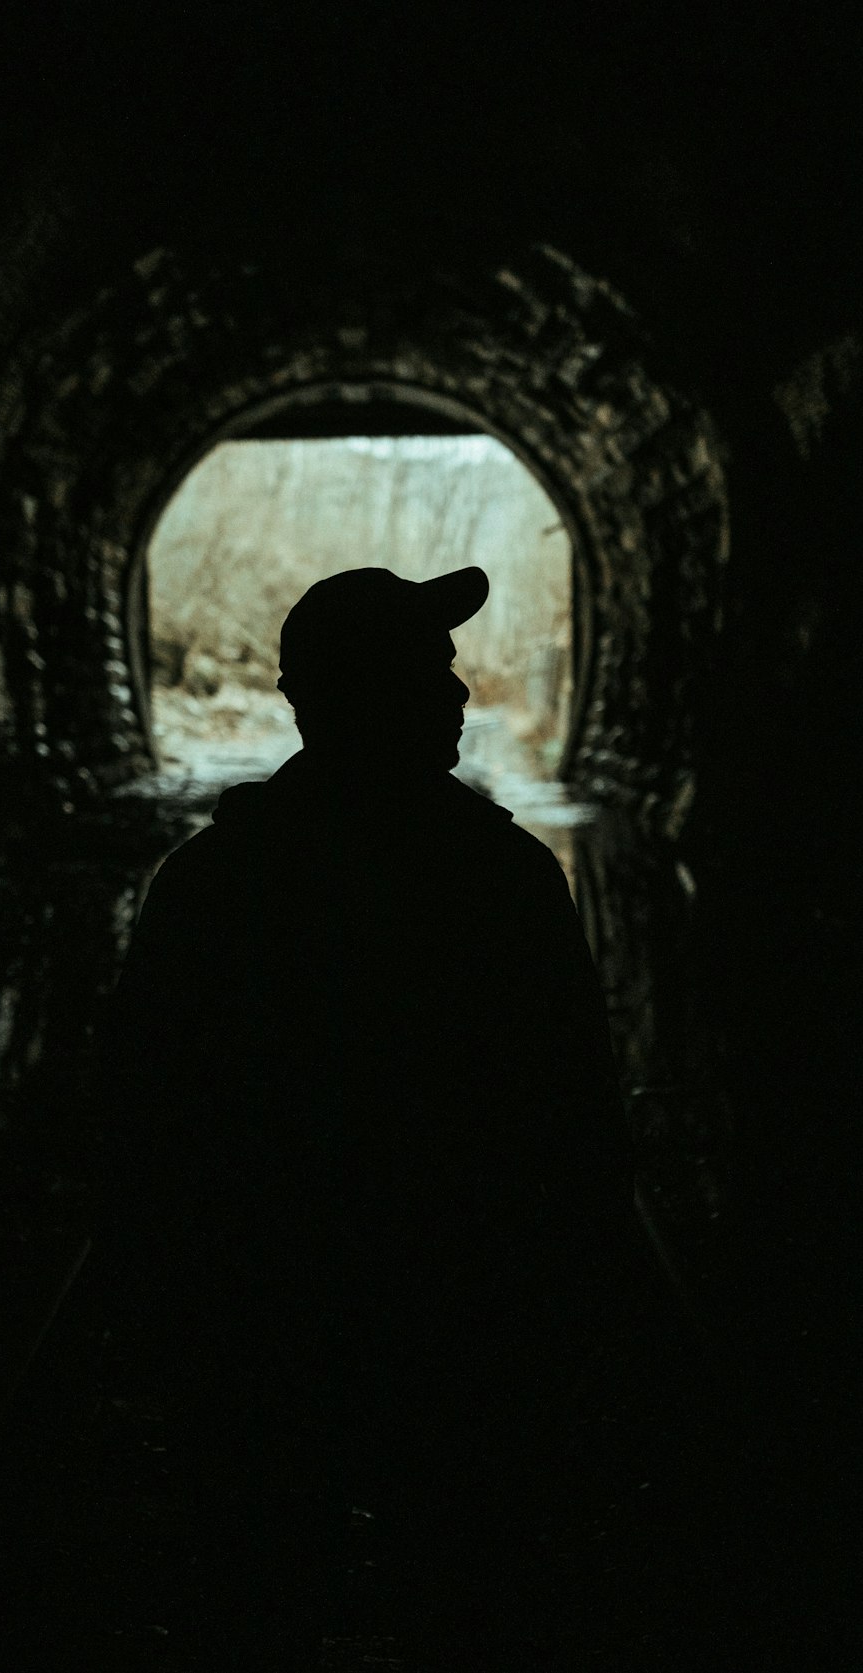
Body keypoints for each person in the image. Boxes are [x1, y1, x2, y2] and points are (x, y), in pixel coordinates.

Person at [97, 564, 642, 1661]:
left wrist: (166, 1328)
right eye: (429, 669)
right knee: (464, 1593)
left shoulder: (209, 883)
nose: (457, 694)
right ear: (358, 692)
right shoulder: (504, 880)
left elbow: (137, 1132)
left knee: (265, 1591)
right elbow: (580, 1131)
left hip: (261, 1343)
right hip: (467, 1339)